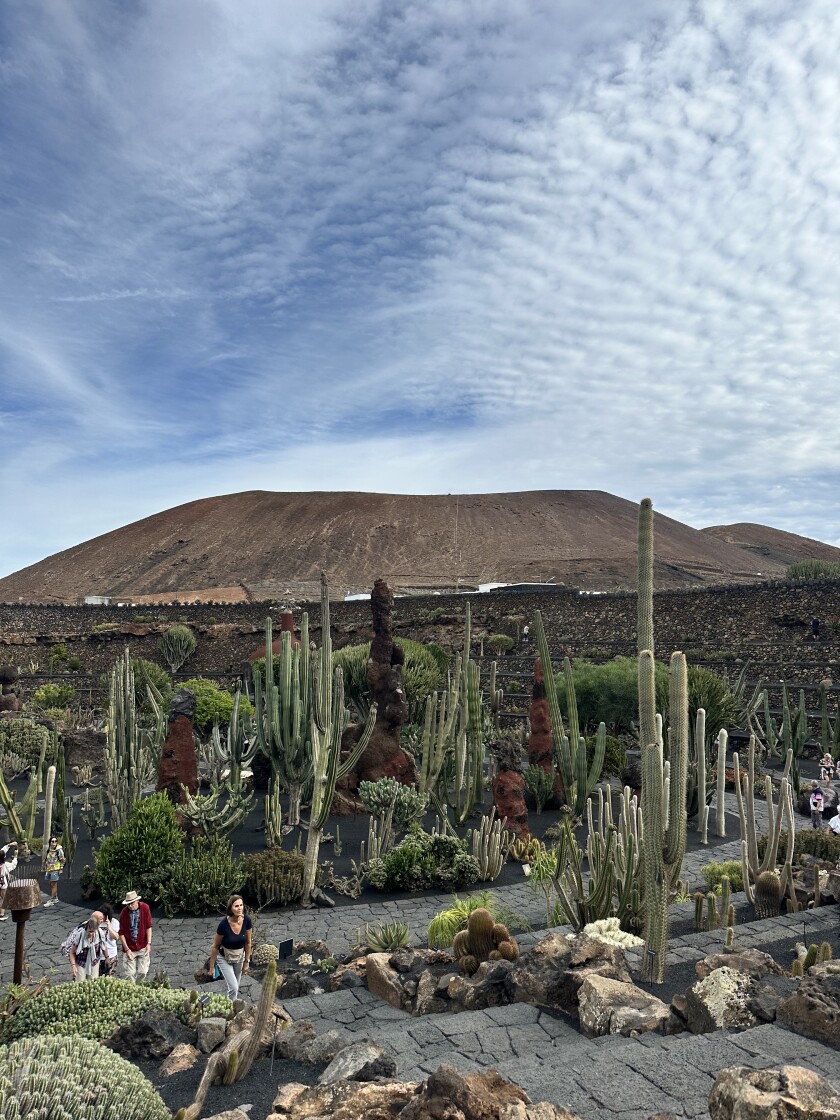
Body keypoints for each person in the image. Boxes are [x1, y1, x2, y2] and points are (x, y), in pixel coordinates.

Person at [207, 894, 252, 1000]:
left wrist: (247, 961)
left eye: (241, 905)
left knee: (235, 986)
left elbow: (248, 943)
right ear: (231, 908)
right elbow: (215, 946)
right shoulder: (223, 925)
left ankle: (233, 1007)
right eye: (236, 906)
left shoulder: (247, 920)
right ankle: (230, 1009)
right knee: (234, 987)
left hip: (239, 957)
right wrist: (212, 967)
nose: (240, 908)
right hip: (224, 957)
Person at [118, 890, 153, 982]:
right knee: (130, 974)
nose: (130, 906)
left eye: (132, 903)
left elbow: (148, 927)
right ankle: (133, 990)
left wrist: (148, 943)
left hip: (142, 945)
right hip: (130, 948)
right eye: (128, 904)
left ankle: (139, 988)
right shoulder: (123, 913)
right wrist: (127, 949)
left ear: (137, 901)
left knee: (143, 972)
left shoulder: (145, 908)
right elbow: (121, 933)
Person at [70, 917, 107, 982]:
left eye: (93, 932)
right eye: (89, 931)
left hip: (94, 961)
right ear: (86, 929)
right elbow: (72, 952)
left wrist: (107, 957)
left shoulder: (99, 933)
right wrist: (73, 966)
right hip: (81, 961)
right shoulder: (80, 935)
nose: (91, 934)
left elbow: (103, 946)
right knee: (80, 982)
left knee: (93, 981)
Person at [93, 904, 120, 976]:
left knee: (109, 977)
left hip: (111, 954)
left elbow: (116, 937)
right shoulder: (96, 922)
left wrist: (109, 927)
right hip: (97, 955)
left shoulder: (114, 922)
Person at [43, 835, 65, 906]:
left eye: (55, 841)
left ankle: (52, 899)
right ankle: (55, 897)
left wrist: (61, 868)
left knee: (54, 884)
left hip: (55, 869)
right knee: (50, 883)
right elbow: (47, 858)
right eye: (52, 841)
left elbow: (62, 860)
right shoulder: (49, 849)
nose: (54, 842)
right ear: (50, 842)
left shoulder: (59, 850)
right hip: (49, 869)